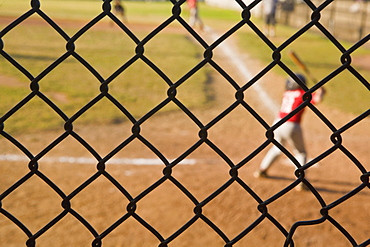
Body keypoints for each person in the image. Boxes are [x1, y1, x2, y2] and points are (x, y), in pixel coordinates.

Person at [254, 74, 325, 189]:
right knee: (300, 153)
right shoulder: (303, 94)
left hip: (277, 123)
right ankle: (301, 181)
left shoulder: (286, 93)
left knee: (277, 148)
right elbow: (317, 99)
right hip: (292, 125)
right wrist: (321, 91)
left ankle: (262, 170)